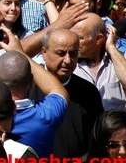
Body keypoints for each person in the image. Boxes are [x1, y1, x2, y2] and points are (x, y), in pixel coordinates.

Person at [38, 28, 103, 157]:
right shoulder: (27, 86)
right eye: (61, 53)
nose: (68, 60)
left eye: (73, 54)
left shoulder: (88, 92)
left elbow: (96, 138)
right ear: (44, 52)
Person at [70, 13, 126, 113]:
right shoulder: (69, 63)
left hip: (118, 127)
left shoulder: (125, 57)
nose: (73, 42)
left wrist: (111, 47)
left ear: (98, 39)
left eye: (80, 38)